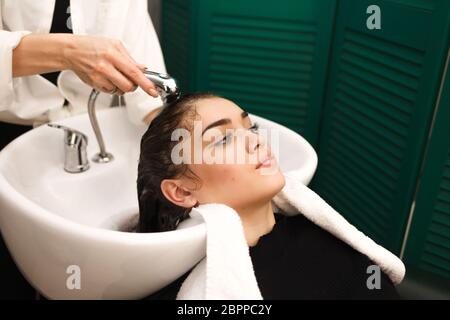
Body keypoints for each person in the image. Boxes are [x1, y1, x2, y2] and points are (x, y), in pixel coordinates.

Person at [137, 93, 401, 300]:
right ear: (182, 191)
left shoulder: (319, 230)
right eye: (222, 140)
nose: (257, 142)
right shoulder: (202, 289)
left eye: (251, 128)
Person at [0, 0, 164, 299]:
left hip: (89, 128)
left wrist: (169, 128)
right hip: (10, 133)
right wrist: (69, 52)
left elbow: (139, 48)